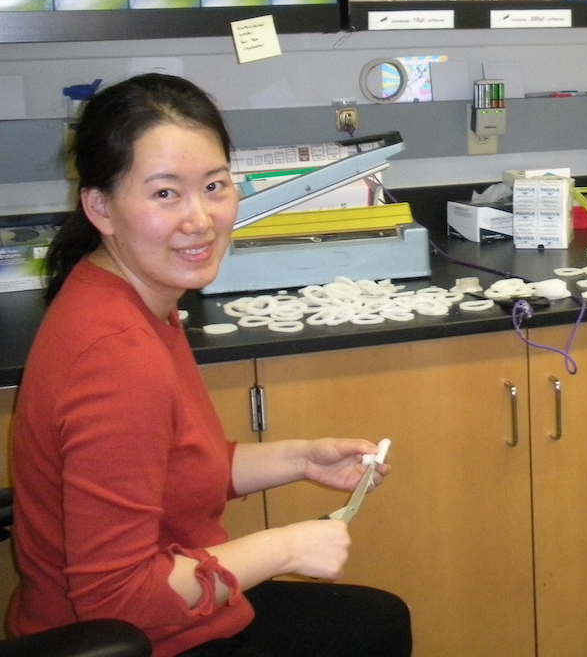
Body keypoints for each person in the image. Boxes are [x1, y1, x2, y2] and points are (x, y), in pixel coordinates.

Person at [8, 74, 413, 657]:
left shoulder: (128, 295)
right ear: (100, 206)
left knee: (373, 622)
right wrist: (284, 548)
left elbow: (171, 468)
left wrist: (301, 458)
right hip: (137, 637)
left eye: (215, 186)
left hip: (161, 615)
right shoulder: (117, 355)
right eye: (165, 194)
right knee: (371, 629)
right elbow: (117, 601)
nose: (199, 219)